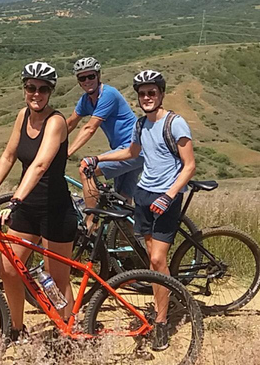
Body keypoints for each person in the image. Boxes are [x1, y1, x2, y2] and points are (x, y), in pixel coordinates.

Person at [88, 69, 196, 351]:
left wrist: (170, 195)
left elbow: (190, 166)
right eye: (142, 94)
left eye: (152, 93)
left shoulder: (175, 123)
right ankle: (167, 297)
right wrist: (98, 157)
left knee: (158, 261)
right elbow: (131, 153)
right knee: (151, 259)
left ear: (161, 94)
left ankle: (161, 322)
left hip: (165, 197)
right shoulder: (141, 124)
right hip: (143, 195)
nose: (147, 97)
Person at [0, 61, 78, 344]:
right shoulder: (22, 116)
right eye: (31, 88)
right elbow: (9, 156)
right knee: (8, 269)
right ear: (24, 90)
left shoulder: (55, 122)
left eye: (43, 89)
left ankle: (65, 333)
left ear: (51, 92)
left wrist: (15, 200)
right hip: (28, 207)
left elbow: (40, 164)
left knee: (56, 280)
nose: (37, 94)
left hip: (55, 210)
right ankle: (16, 329)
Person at [67, 57, 143, 227]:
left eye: (91, 76)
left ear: (98, 75)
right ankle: (126, 251)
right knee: (122, 202)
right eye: (82, 78)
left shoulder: (108, 94)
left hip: (132, 149)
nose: (87, 81)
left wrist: (67, 152)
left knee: (87, 168)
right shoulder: (86, 101)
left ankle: (90, 222)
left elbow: (89, 128)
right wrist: (49, 140)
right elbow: (71, 122)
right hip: (128, 151)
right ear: (78, 82)